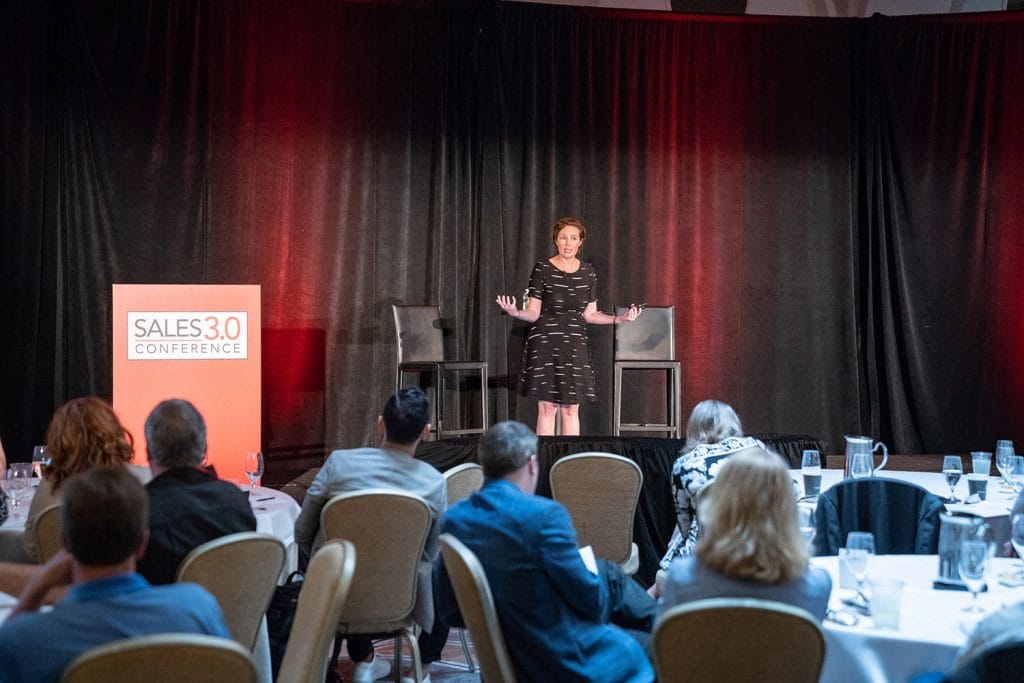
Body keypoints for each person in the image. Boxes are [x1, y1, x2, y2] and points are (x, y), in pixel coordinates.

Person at [435, 420, 656, 683]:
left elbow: (449, 610)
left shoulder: (454, 520)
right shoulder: (544, 517)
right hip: (560, 659)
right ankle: (677, 627)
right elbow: (592, 603)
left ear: (485, 466)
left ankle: (666, 620)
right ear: (531, 464)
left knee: (607, 573)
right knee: (656, 643)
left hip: (507, 652)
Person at [0, 467, 230, 683]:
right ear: (142, 544)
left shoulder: (24, 638)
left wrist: (36, 588)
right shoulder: (197, 608)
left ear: (65, 543)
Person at [293, 386, 446, 683]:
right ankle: (419, 671)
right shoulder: (434, 483)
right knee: (443, 568)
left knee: (336, 555)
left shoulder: (339, 463)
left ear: (380, 423)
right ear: (426, 432)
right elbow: (431, 554)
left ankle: (363, 659)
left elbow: (302, 531)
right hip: (404, 600)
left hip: (334, 596)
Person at [496, 216, 641, 436]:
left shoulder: (588, 272)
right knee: (547, 408)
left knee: (571, 409)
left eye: (573, 238)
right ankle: (546, 461)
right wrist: (514, 312)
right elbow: (534, 313)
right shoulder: (542, 268)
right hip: (545, 343)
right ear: (556, 240)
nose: (568, 243)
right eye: (563, 237)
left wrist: (618, 319)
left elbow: (590, 314)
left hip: (574, 345)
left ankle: (570, 464)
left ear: (580, 242)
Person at [659, 448, 832, 621]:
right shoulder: (818, 586)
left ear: (720, 505)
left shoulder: (681, 578)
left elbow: (662, 644)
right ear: (788, 510)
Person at [0, 396, 144, 565]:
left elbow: (33, 547)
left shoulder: (49, 487)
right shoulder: (143, 481)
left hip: (51, 579)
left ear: (58, 439)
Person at [138, 398, 257, 585]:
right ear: (204, 450)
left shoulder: (140, 512)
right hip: (235, 613)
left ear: (148, 452)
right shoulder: (236, 502)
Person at [658, 399, 765, 573]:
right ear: (733, 423)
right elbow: (790, 493)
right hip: (758, 545)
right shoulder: (756, 447)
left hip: (707, 556)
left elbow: (685, 528)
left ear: (693, 428)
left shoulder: (685, 465)